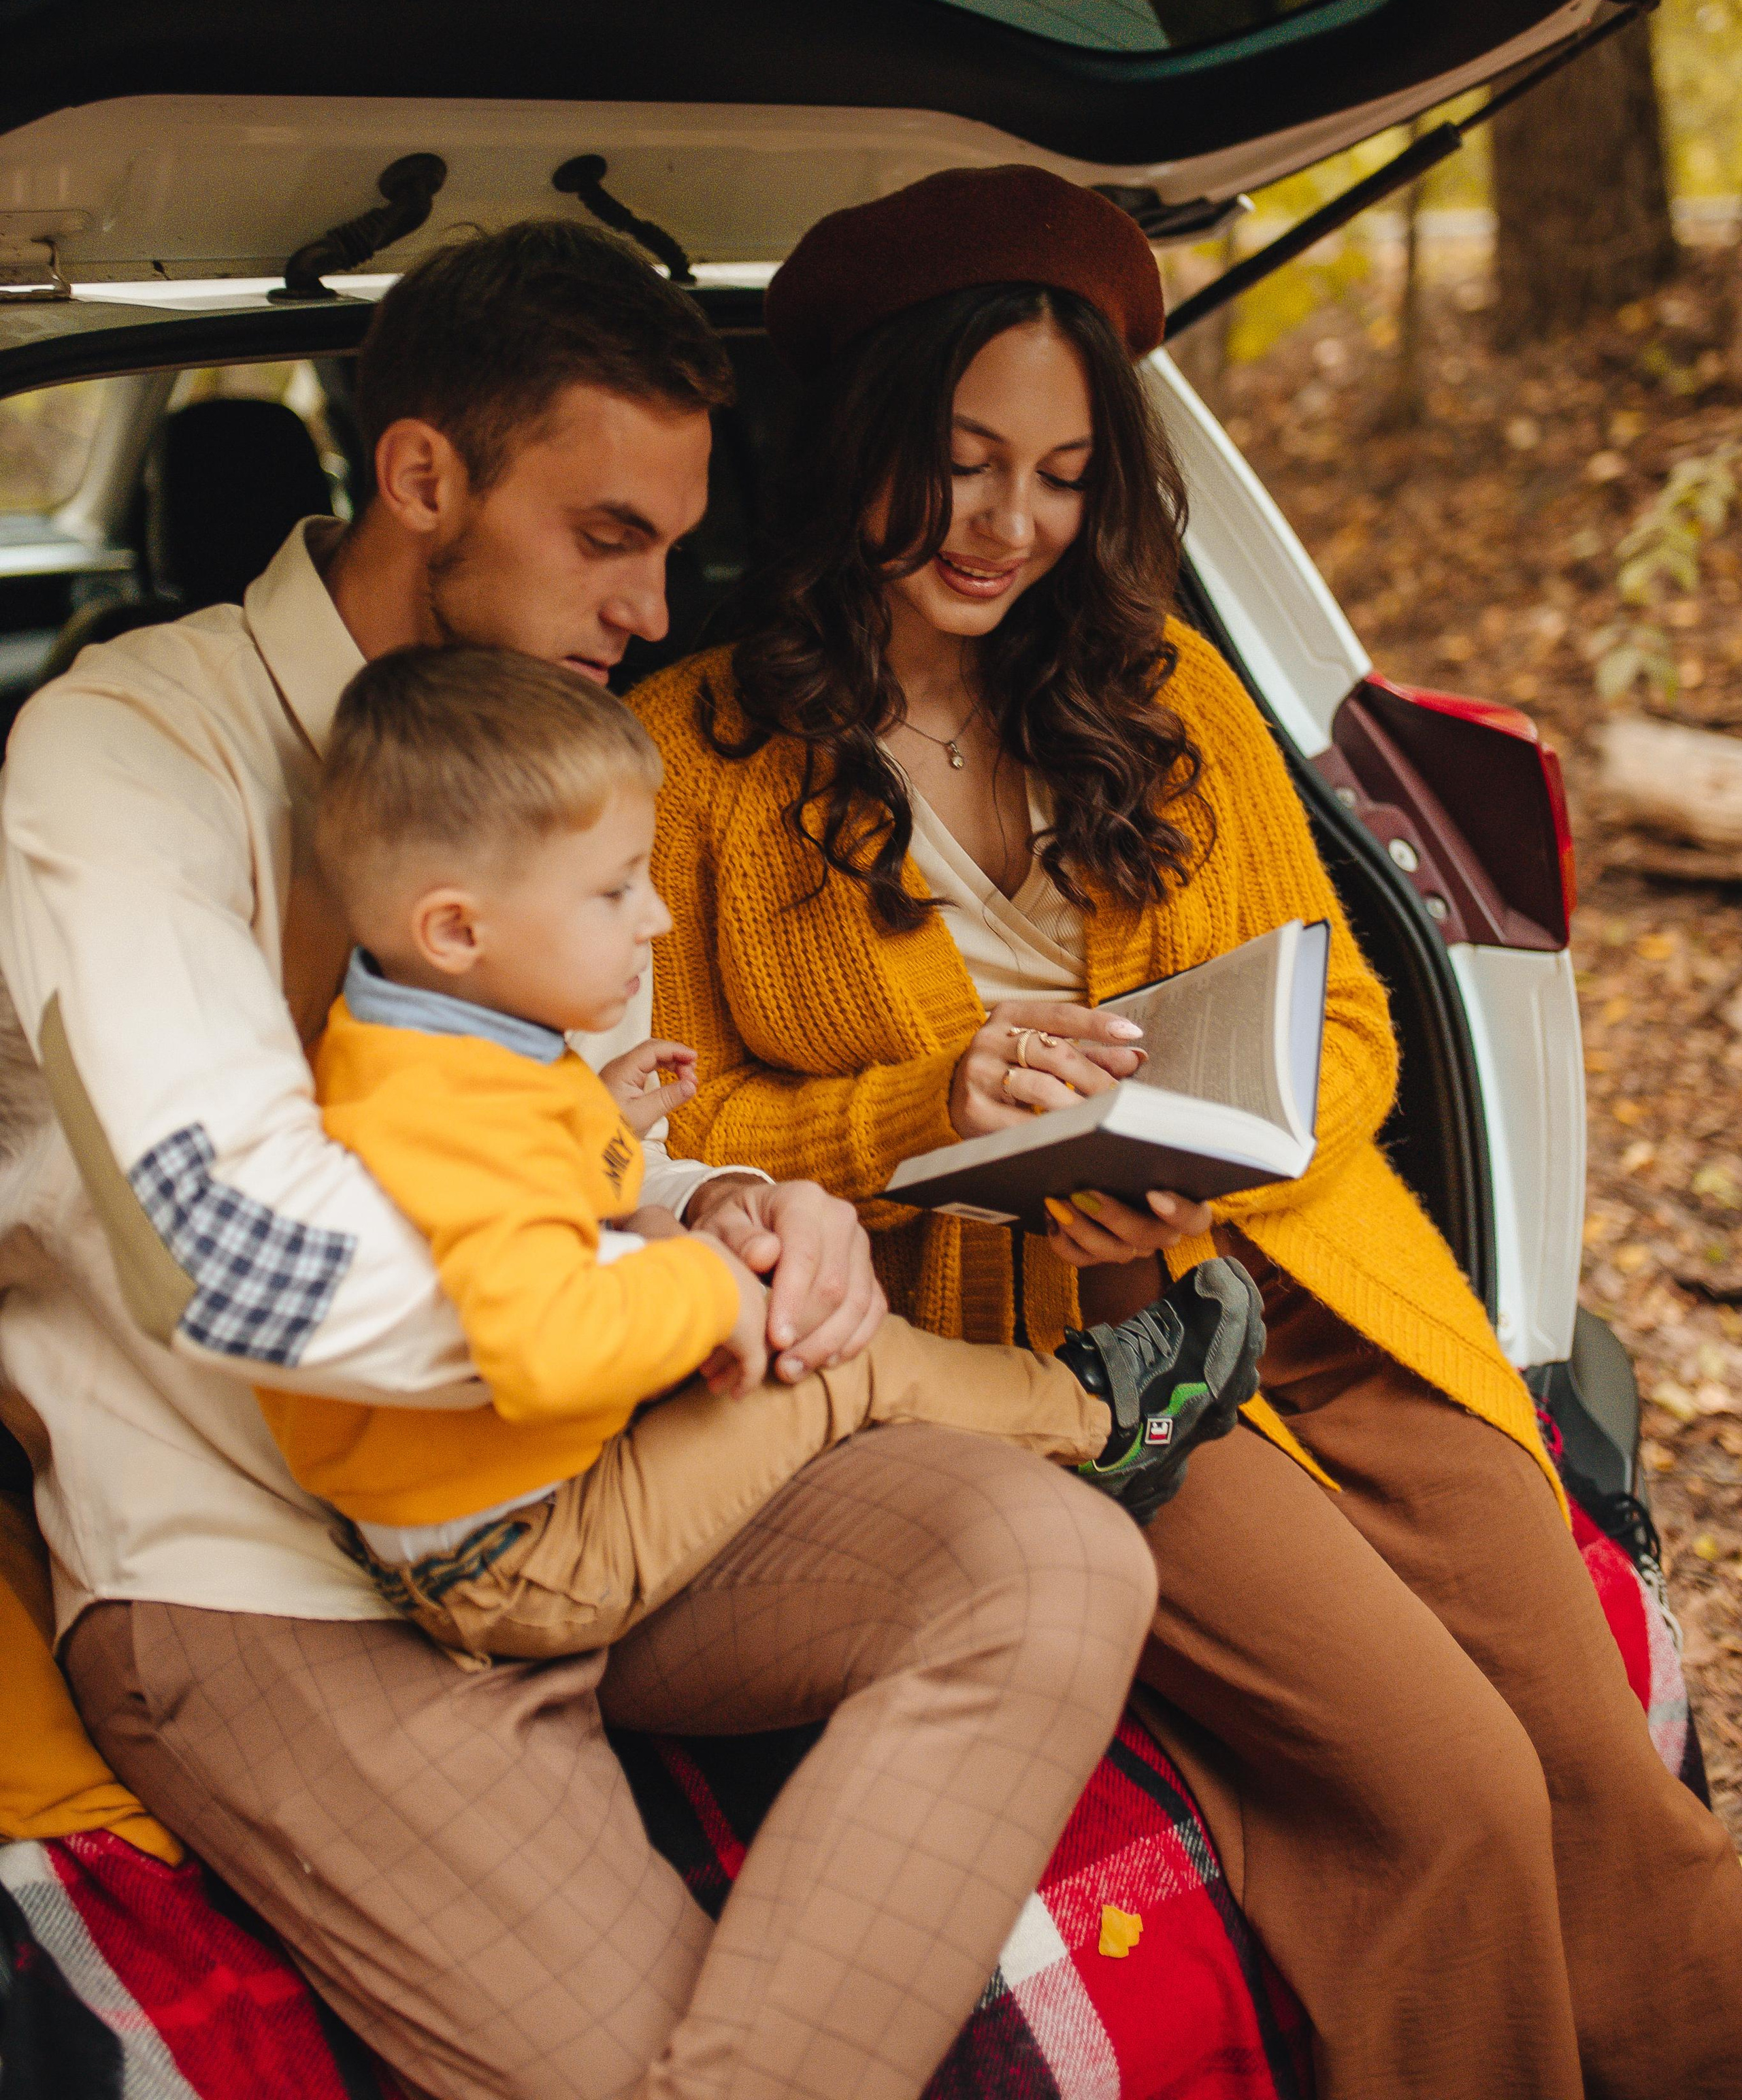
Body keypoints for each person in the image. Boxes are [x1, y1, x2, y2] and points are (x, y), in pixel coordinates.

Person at [0, 218, 1165, 2100]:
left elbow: (609, 1126)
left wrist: (740, 1210)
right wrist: (682, 1294)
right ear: (422, 477)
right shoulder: (125, 751)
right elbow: (244, 1263)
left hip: (589, 1497)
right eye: (606, 536)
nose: (650, 605)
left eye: (673, 545)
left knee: (1055, 1554)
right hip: (269, 1580)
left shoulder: (562, 749)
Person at [632, 163, 1742, 2100]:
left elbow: (1365, 1023)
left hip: (1299, 1271)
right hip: (1046, 1368)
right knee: (1454, 1787)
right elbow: (645, 1134)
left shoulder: (1161, 691)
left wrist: (1224, 1128)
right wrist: (924, 1110)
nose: (1008, 526)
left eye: (1061, 475)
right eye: (962, 462)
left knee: (1589, 1752)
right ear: (861, 441)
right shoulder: (684, 757)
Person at [268, 640, 1262, 1664]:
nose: (653, 918)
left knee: (729, 1271)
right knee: (826, 1359)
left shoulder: (419, 1048)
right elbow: (538, 1339)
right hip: (523, 1556)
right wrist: (705, 1284)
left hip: (497, 1499)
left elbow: (509, 1203)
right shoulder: (446, 1110)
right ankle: (1105, 1423)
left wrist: (605, 1130)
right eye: (613, 892)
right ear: (455, 930)